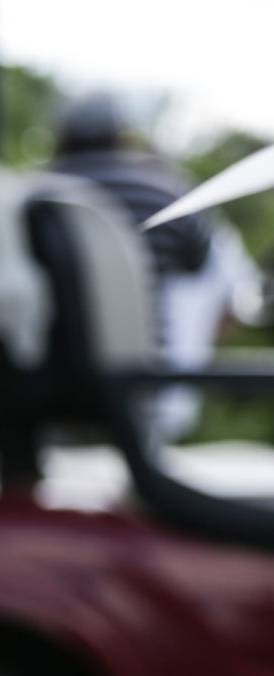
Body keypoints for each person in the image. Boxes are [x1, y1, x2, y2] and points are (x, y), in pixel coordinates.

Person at [51, 93, 252, 438]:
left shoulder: (28, 195)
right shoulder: (168, 196)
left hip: (50, 397)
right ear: (121, 132)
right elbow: (208, 278)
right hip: (147, 399)